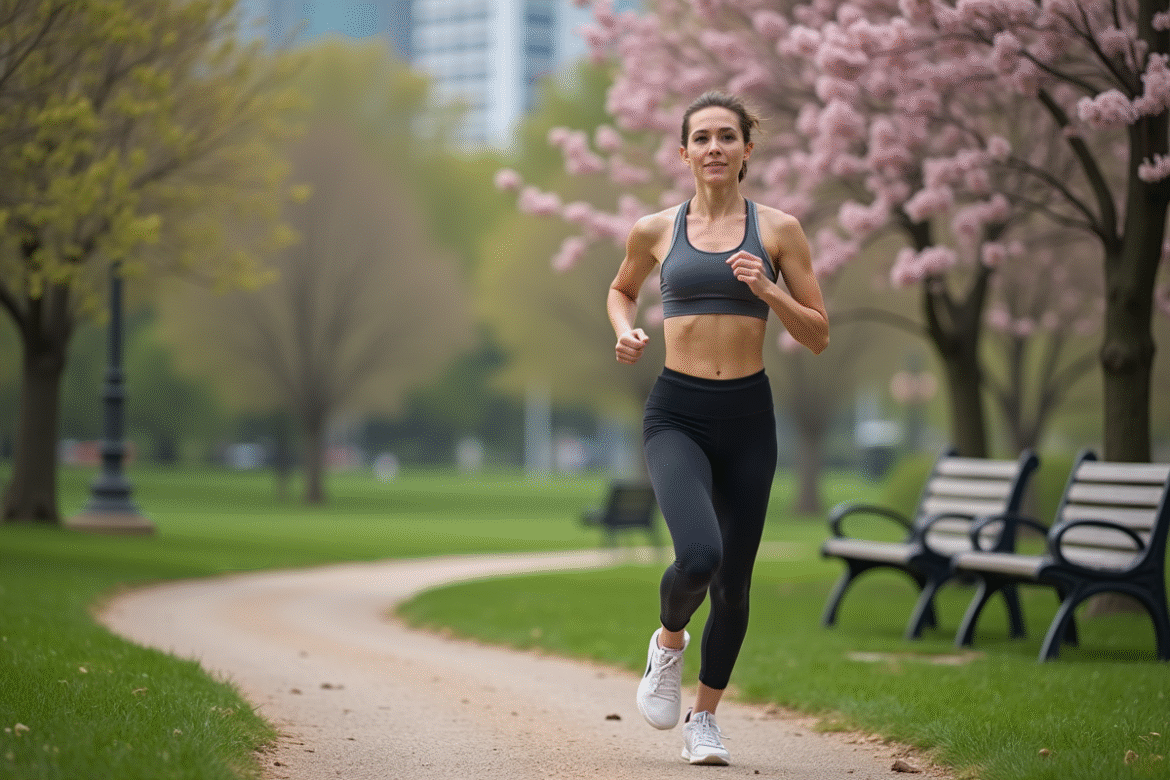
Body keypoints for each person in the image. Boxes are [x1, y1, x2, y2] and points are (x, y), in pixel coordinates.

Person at [606, 91, 829, 766]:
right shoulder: (653, 229)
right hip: (676, 412)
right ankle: (668, 643)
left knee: (733, 583)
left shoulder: (780, 230)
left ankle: (704, 719)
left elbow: (817, 335)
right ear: (683, 154)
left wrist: (769, 291)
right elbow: (622, 289)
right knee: (698, 555)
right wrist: (626, 330)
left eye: (726, 137)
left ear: (746, 151)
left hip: (748, 419)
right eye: (700, 138)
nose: (713, 148)